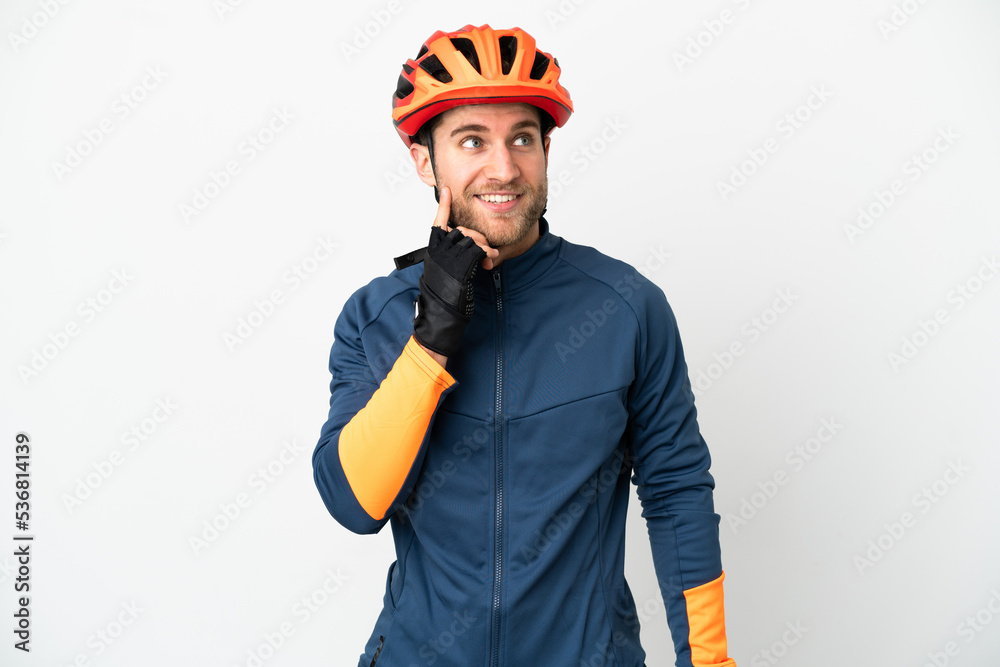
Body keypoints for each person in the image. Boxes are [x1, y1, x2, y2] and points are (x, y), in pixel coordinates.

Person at [312, 23, 737, 667]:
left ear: (545, 148)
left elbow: (676, 491)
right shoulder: (377, 315)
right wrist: (432, 336)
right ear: (426, 160)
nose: (504, 167)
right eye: (472, 140)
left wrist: (709, 662)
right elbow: (354, 502)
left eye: (523, 139)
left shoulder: (626, 307)